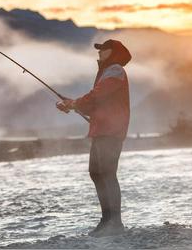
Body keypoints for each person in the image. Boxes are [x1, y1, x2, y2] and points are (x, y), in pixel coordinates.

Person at [56, 39, 132, 237]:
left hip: (111, 131)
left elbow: (97, 95)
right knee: (96, 173)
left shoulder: (115, 70)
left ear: (112, 51)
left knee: (106, 173)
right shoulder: (107, 71)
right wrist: (70, 105)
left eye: (103, 49)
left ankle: (114, 222)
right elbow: (93, 103)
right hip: (101, 130)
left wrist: (73, 104)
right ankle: (107, 220)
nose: (99, 52)